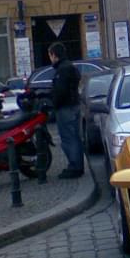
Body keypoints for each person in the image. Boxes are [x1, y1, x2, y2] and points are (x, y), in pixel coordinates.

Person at [48, 42, 85, 179]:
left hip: (65, 108)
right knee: (75, 137)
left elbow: (60, 91)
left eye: (50, 55)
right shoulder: (70, 66)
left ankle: (75, 167)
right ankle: (77, 165)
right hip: (73, 105)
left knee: (69, 138)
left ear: (54, 55)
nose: (50, 59)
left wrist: (54, 104)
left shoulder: (62, 69)